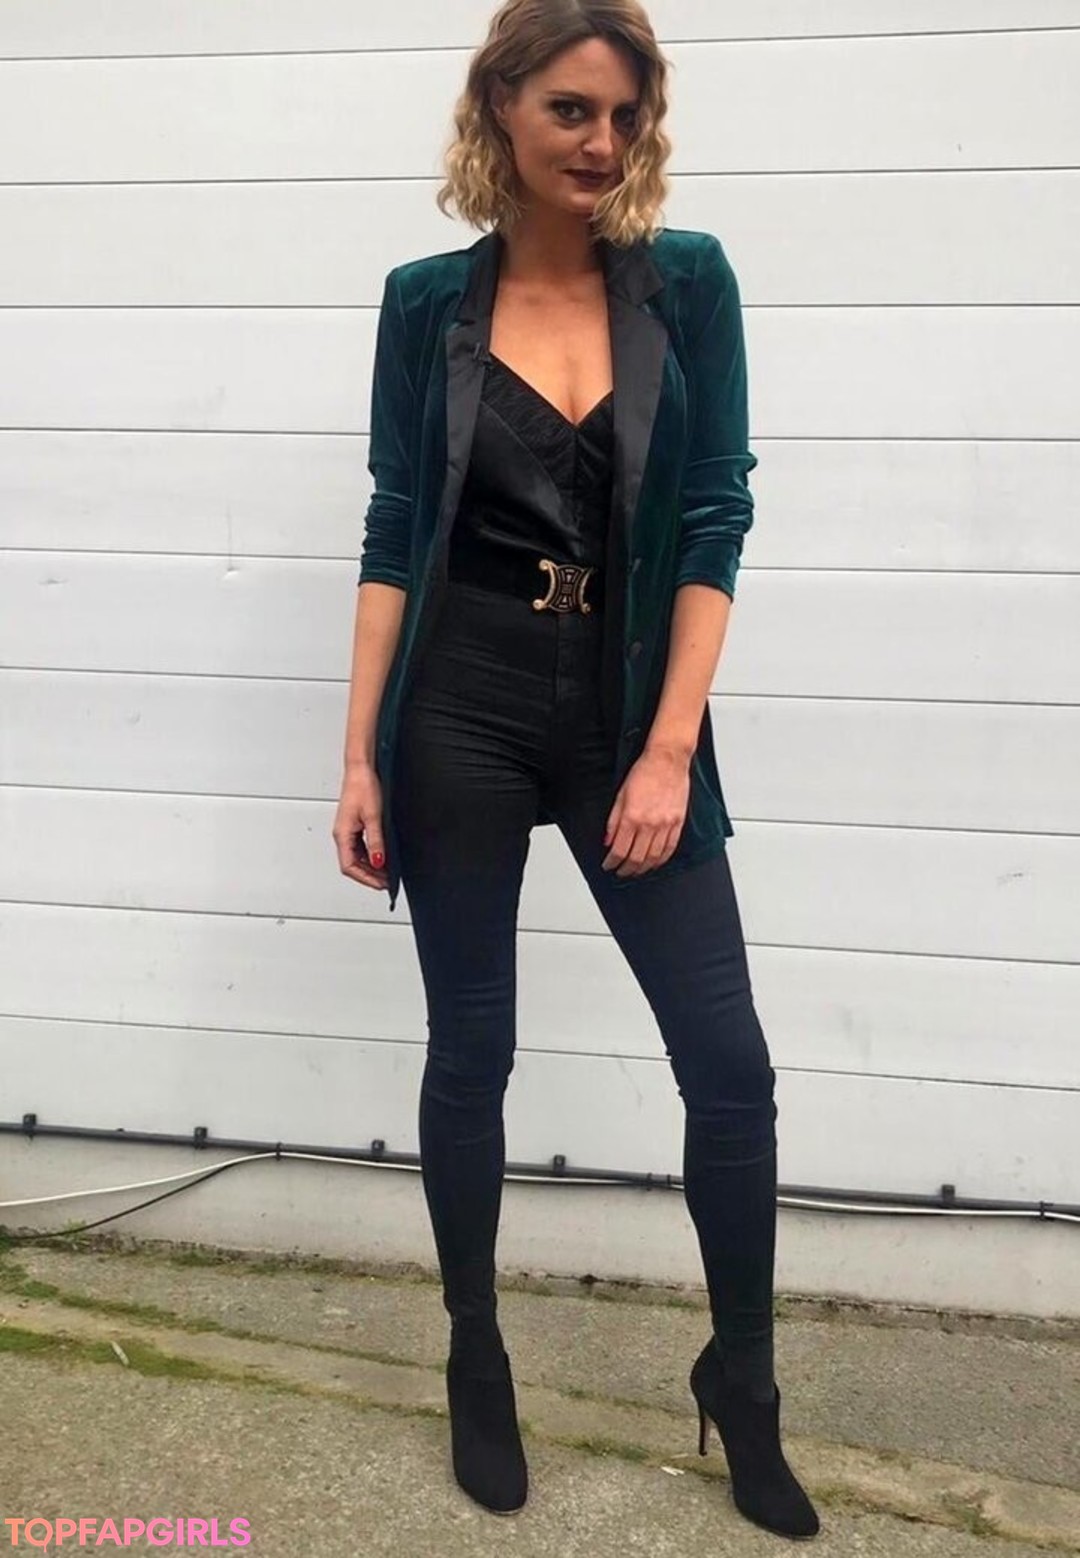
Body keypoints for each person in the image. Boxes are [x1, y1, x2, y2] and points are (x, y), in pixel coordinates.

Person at [333, 0, 820, 1540]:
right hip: (461, 701)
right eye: (570, 110)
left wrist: (668, 749)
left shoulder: (688, 284)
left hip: (623, 706)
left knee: (729, 1067)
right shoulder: (426, 304)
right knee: (471, 1050)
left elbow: (715, 517)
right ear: (503, 107)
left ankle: (743, 1377)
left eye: (624, 114)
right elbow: (394, 526)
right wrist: (358, 754)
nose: (602, 143)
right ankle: (477, 1355)